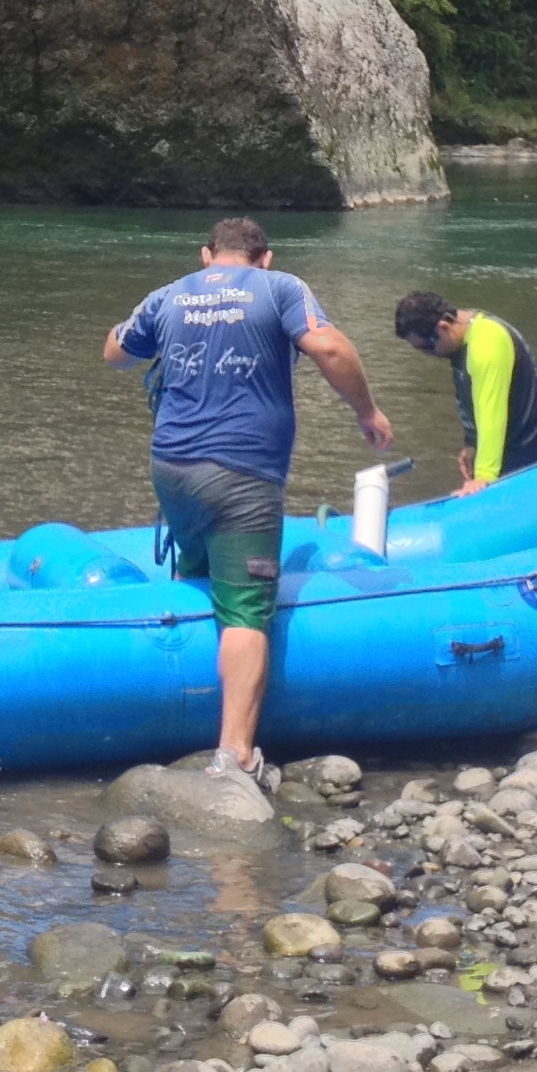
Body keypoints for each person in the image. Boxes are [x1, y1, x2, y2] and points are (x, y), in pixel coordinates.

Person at [104, 216, 392, 793]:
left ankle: (183, 706)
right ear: (265, 257)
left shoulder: (170, 294)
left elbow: (115, 351)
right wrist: (367, 412)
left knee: (197, 575)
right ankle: (234, 754)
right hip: (242, 474)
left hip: (172, 470)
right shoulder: (280, 287)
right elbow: (329, 346)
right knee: (244, 610)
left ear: (207, 253)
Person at [392, 292, 537, 494]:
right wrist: (472, 442)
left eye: (427, 347)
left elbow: (492, 413)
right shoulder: (464, 332)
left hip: (530, 463)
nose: (429, 355)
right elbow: (472, 394)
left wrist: (484, 477)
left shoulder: (486, 345)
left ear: (443, 327)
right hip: (511, 459)